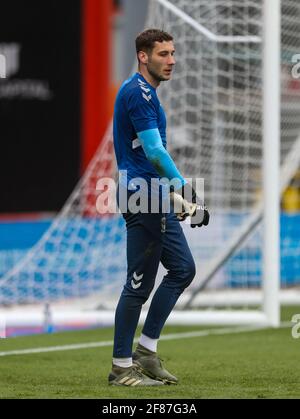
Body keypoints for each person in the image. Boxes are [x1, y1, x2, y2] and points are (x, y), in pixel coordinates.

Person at [109, 28, 209, 387]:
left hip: (153, 195)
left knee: (183, 268)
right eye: (163, 54)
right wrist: (183, 186)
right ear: (143, 56)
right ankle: (121, 367)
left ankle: (146, 352)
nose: (172, 60)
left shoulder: (149, 94)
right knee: (138, 285)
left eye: (172, 53)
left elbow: (146, 156)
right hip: (141, 197)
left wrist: (177, 198)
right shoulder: (139, 93)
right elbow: (153, 153)